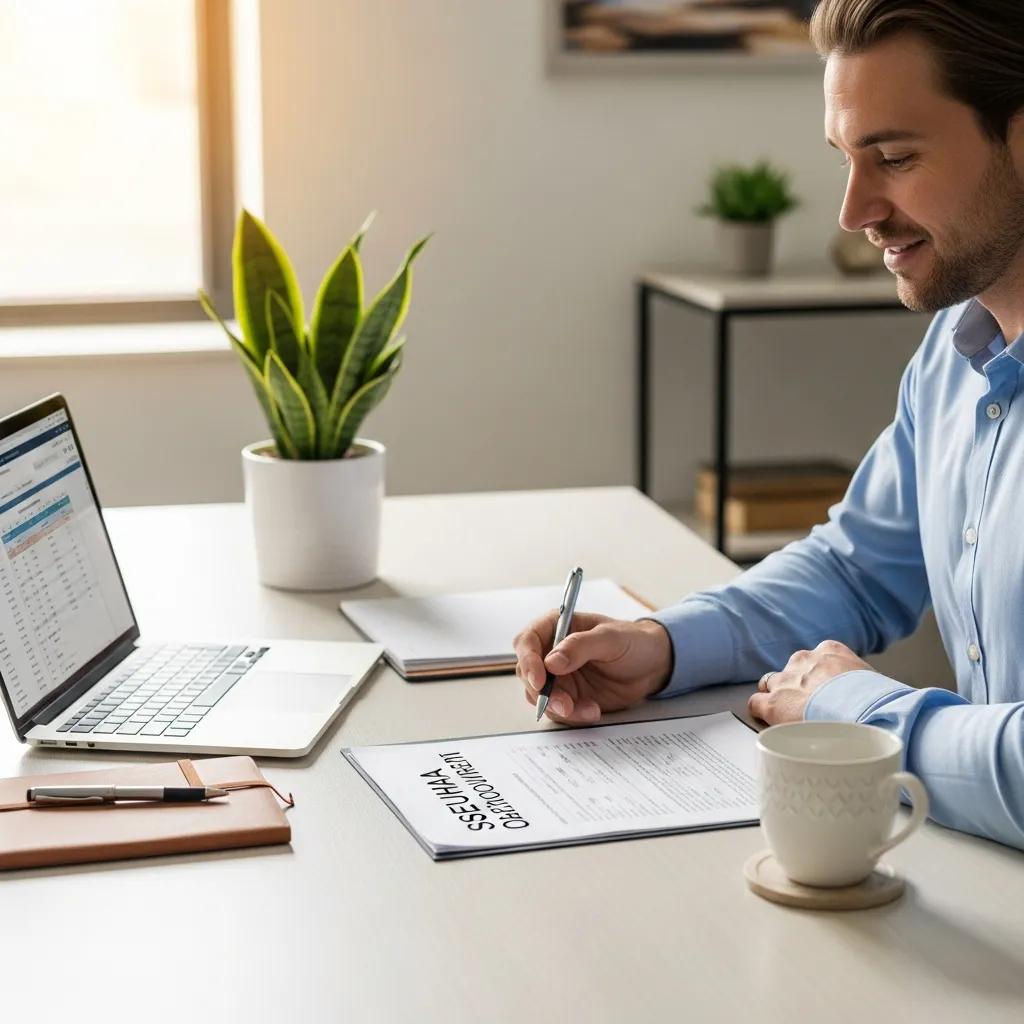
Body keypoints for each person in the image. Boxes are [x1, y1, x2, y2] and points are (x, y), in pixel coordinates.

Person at [514, 0, 1024, 852]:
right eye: (846, 160)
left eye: (894, 158)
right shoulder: (954, 350)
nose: (854, 210)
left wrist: (851, 709)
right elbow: (857, 569)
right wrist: (662, 645)